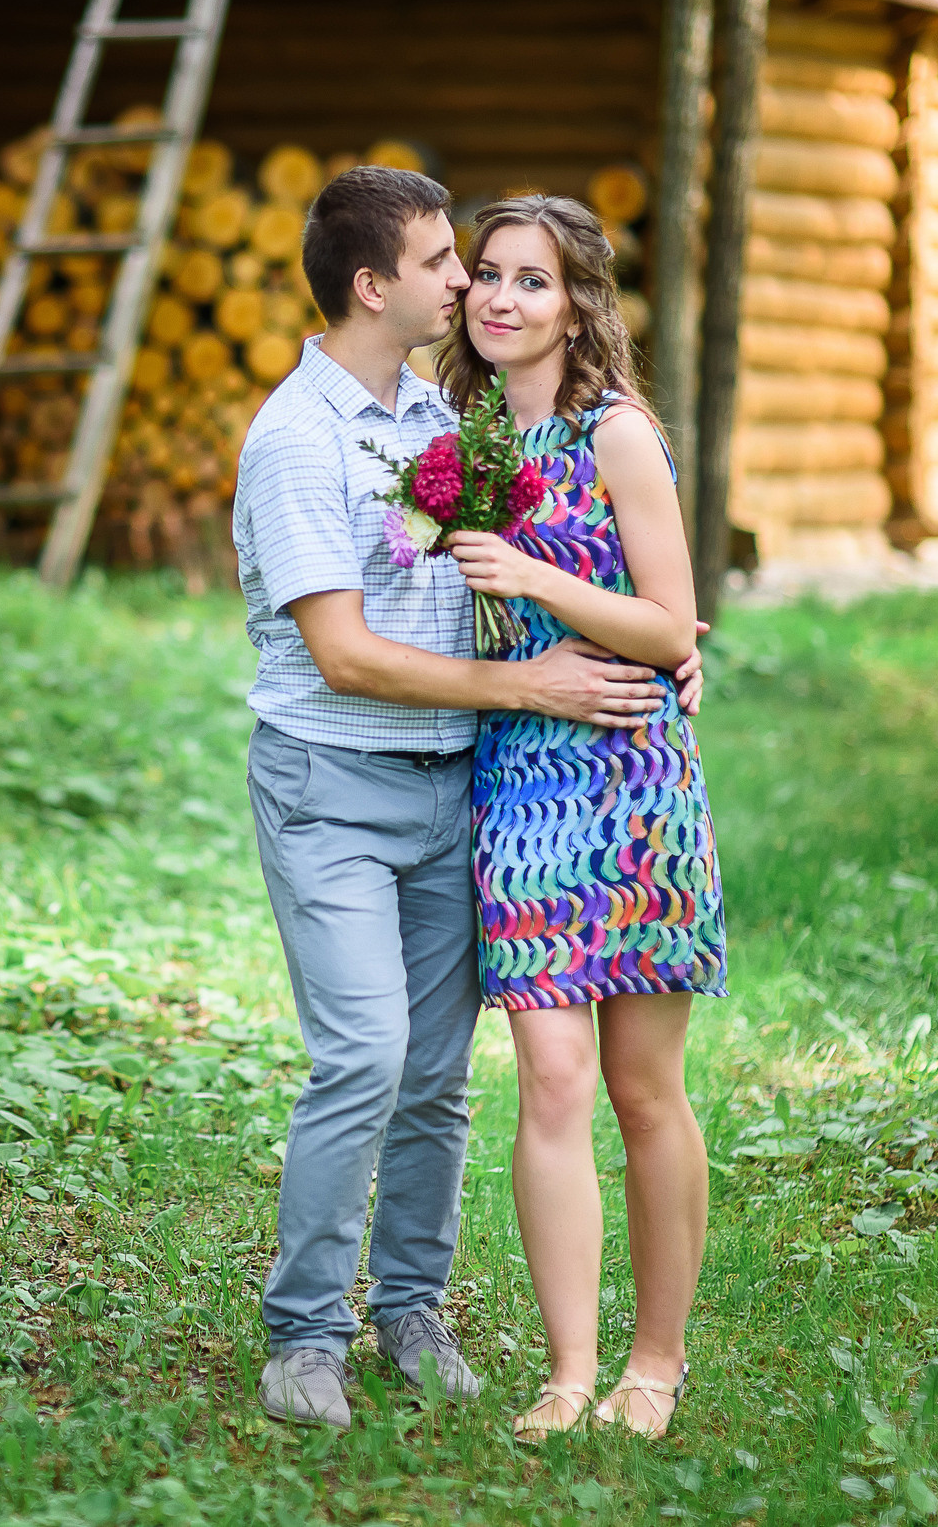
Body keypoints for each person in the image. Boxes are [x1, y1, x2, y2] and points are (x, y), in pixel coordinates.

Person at [231, 167, 701, 1432]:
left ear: (571, 302)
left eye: (502, 271)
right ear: (377, 285)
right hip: (355, 777)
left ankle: (415, 1310)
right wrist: (535, 679)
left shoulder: (446, 421)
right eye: (457, 265)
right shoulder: (299, 437)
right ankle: (306, 1334)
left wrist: (672, 640)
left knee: (441, 1077)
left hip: (486, 779)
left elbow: (641, 590)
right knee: (371, 1055)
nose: (473, 287)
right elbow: (344, 652)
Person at [438, 192, 726, 1443]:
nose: (502, 298)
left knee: (640, 1086)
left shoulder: (618, 435)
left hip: (630, 779)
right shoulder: (456, 442)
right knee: (548, 1075)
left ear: (578, 305)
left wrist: (537, 574)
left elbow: (670, 622)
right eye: (488, 275)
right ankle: (567, 1368)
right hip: (517, 772)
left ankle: (652, 1363)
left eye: (533, 281)